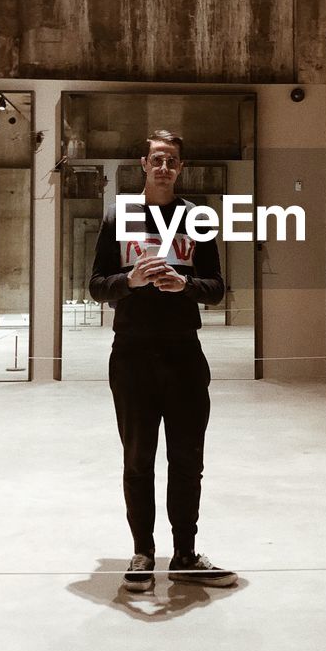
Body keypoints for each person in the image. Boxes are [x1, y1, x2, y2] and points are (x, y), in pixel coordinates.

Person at [89, 129, 237, 593]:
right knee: (138, 457)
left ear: (181, 167)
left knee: (187, 459)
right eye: (157, 159)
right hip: (132, 352)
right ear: (143, 163)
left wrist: (186, 286)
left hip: (182, 352)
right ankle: (142, 553)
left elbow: (217, 287)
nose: (164, 167)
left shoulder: (197, 219)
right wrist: (129, 281)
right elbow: (94, 284)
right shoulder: (120, 216)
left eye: (171, 160)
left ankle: (186, 554)